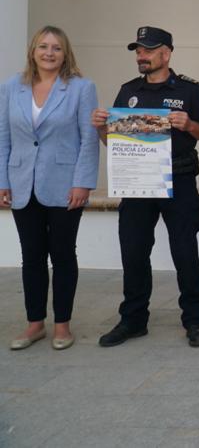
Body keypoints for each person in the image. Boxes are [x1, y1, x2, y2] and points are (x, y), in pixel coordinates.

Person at [91, 26, 199, 348]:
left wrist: (190, 124)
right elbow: (114, 142)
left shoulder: (189, 90)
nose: (141, 56)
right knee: (133, 252)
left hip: (179, 181)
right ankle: (133, 320)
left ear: (166, 53)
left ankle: (195, 320)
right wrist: (102, 130)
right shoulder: (128, 90)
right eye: (138, 50)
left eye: (147, 50)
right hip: (138, 184)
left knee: (185, 252)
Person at [1, 26, 98, 351]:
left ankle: (62, 325)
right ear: (33, 51)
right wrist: (2, 180)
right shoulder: (12, 87)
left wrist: (83, 182)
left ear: (65, 53)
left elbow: (88, 140)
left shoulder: (81, 88)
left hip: (65, 185)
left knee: (62, 255)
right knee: (31, 257)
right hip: (21, 183)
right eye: (43, 46)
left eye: (56, 48)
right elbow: (3, 139)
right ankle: (34, 324)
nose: (49, 53)